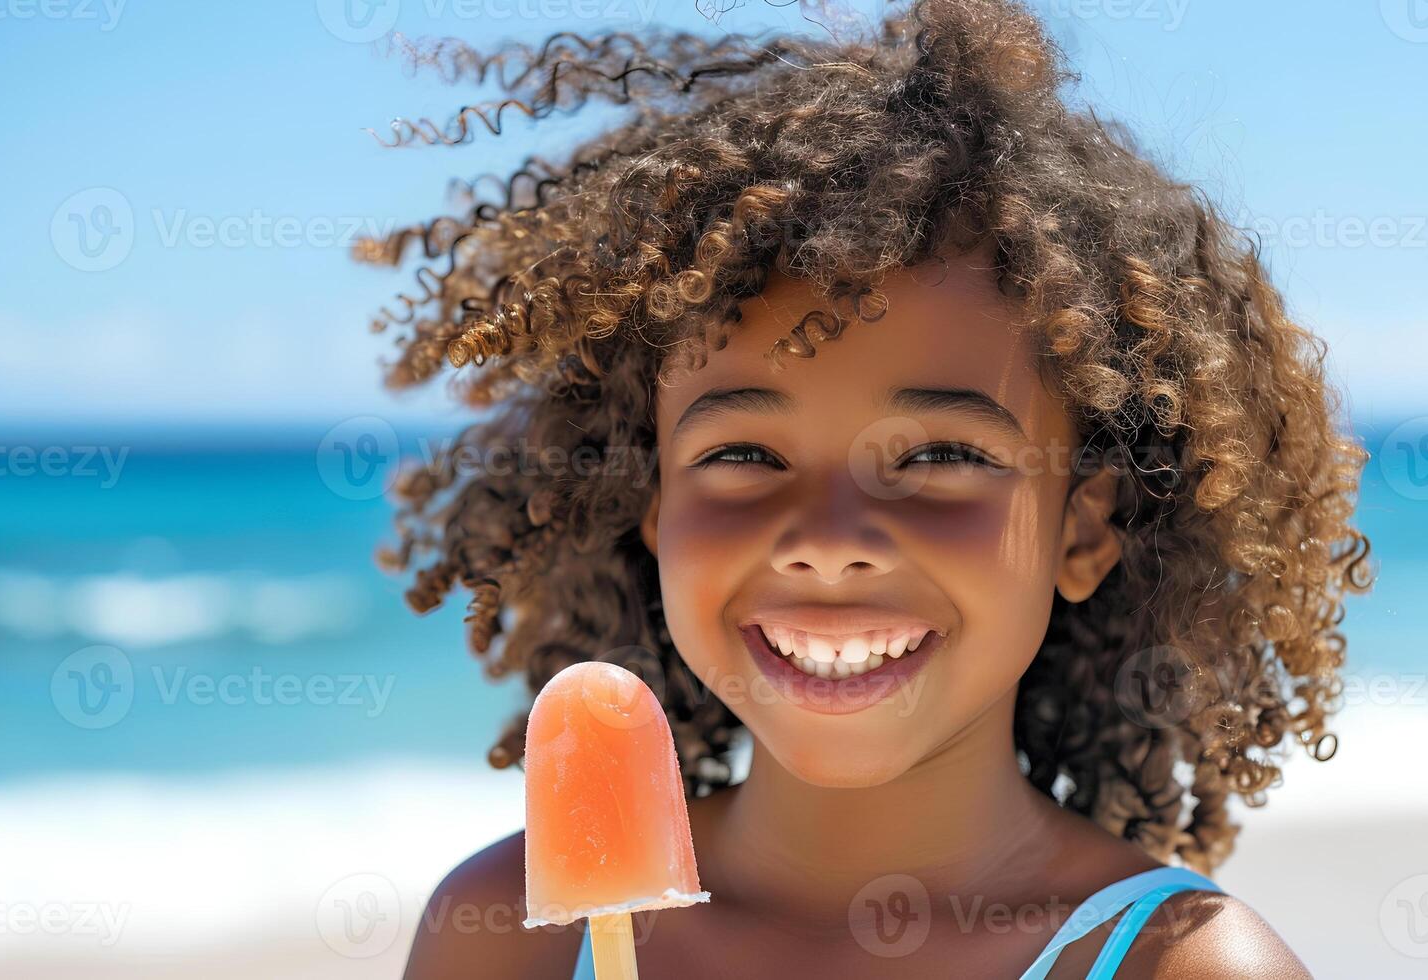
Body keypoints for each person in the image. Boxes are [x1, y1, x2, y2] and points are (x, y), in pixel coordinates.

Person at [357, 1, 1374, 974]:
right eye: (745, 456)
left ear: (1081, 527)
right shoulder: (509, 934)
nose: (831, 538)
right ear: (655, 511)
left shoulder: (1184, 965)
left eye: (939, 458)